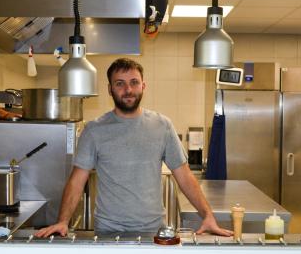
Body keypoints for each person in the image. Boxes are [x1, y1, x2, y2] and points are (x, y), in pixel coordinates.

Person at [36, 58, 233, 237]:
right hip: (108, 232)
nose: (128, 90)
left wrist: (207, 215)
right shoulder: (94, 130)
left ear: (143, 86)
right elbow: (77, 180)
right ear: (110, 89)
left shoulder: (162, 125)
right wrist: (63, 221)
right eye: (120, 83)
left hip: (152, 231)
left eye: (134, 82)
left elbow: (184, 175)